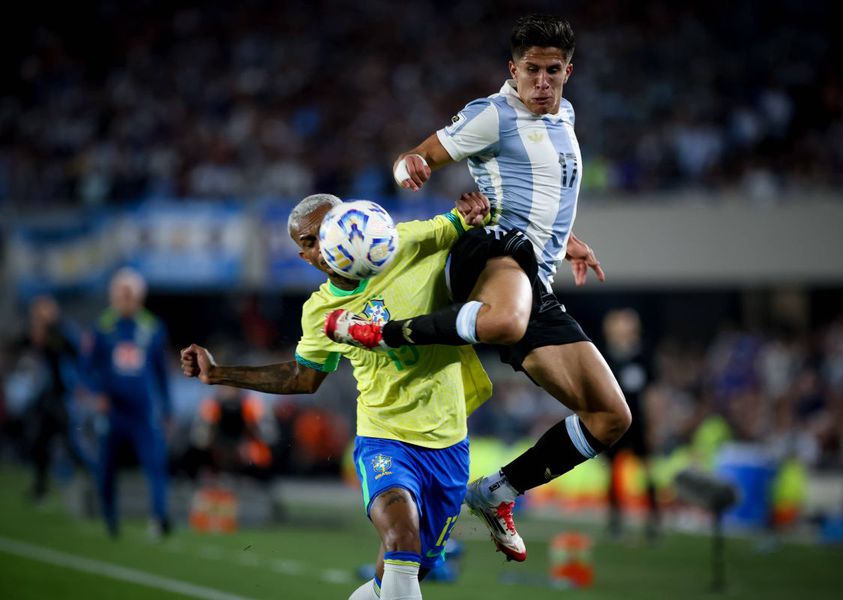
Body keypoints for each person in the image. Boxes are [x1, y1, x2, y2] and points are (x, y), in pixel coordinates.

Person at [325, 15, 631, 562]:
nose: (542, 82)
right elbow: (414, 157)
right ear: (512, 70)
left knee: (611, 417)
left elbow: (543, 193)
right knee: (507, 319)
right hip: (488, 252)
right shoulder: (492, 114)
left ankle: (497, 493)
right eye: (531, 70)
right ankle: (387, 333)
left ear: (568, 71)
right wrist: (410, 168)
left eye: (552, 71)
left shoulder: (565, 115)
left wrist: (567, 244)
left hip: (534, 275)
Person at [180, 194, 492, 600]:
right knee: (401, 537)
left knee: (403, 576)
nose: (324, 245)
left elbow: (471, 218)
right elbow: (302, 378)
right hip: (385, 438)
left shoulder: (407, 242)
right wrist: (219, 373)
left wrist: (476, 211)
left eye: (330, 229)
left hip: (448, 443)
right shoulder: (320, 309)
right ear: (304, 255)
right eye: (310, 241)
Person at [85, 268, 172, 538]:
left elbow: (161, 371)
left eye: (130, 294)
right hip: (113, 410)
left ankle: (158, 517)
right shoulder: (102, 326)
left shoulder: (152, 327)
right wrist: (97, 393)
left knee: (155, 463)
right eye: (121, 294)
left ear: (139, 296)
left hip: (143, 409)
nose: (125, 299)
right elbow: (86, 368)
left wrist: (167, 408)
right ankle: (110, 517)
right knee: (107, 465)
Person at [13, 296, 86, 502]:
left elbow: (74, 351)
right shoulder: (38, 331)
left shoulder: (61, 330)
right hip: (45, 395)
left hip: (62, 395)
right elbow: (21, 344)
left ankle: (92, 478)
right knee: (39, 441)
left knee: (71, 441)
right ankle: (40, 488)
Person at [600, 309, 659, 540]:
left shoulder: (642, 356)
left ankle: (653, 520)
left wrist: (653, 424)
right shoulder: (606, 356)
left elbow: (651, 394)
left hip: (639, 424)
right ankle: (615, 520)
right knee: (612, 472)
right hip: (614, 423)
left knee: (646, 471)